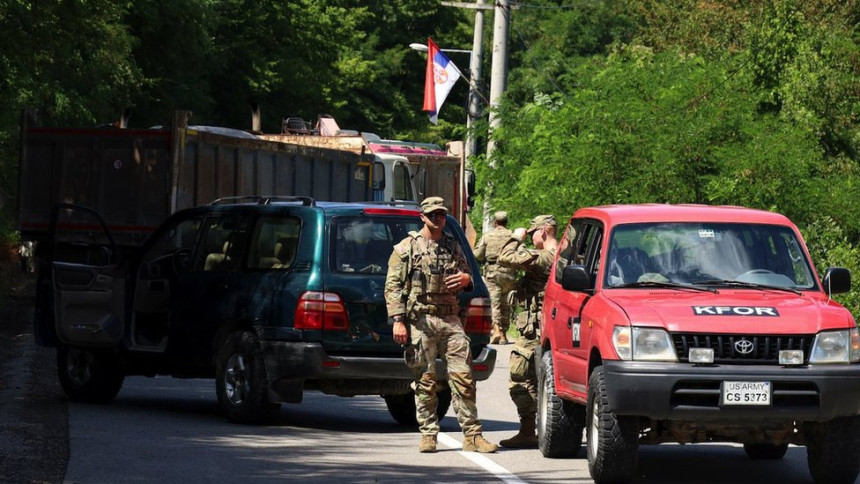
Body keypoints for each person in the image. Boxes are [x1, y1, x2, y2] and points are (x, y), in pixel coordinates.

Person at [384, 196, 498, 454]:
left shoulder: (453, 246)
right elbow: (393, 287)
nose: (438, 219)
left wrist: (466, 279)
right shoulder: (407, 248)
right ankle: (428, 433)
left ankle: (472, 435)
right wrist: (398, 320)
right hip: (421, 320)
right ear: (422, 217)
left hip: (450, 319)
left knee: (464, 377)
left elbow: (469, 278)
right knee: (425, 380)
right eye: (433, 215)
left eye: (442, 214)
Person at [497, 214, 558, 448]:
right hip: (544, 328)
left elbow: (505, 257)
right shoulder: (565, 253)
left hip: (538, 332)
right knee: (541, 379)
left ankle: (528, 430)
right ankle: (534, 430)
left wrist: (516, 236)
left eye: (534, 232)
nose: (531, 237)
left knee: (521, 377)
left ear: (544, 231)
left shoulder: (548, 256)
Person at [474, 211, 517, 345]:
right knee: (505, 304)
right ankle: (504, 334)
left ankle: (497, 329)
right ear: (506, 222)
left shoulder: (488, 236)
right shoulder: (513, 236)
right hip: (510, 273)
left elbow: (478, 255)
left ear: (495, 222)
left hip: (493, 273)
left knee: (494, 303)